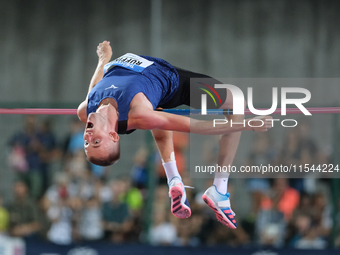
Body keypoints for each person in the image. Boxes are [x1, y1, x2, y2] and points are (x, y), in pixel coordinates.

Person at [77, 41, 273, 229]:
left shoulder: (85, 111)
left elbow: (94, 87)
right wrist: (247, 124)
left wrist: (104, 58)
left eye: (87, 144)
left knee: (157, 114)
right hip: (172, 81)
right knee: (236, 100)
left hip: (146, 84)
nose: (87, 137)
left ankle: (174, 180)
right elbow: (196, 126)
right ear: (113, 135)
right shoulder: (138, 113)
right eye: (95, 141)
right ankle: (219, 189)